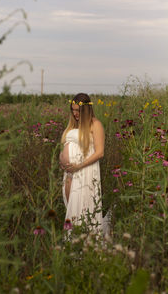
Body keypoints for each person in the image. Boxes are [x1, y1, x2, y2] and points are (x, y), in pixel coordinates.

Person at [59, 93, 109, 234]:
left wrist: (79, 166)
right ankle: (73, 241)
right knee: (71, 208)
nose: (75, 113)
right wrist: (61, 158)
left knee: (83, 208)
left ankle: (85, 243)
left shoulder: (95, 124)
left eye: (78, 110)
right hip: (70, 172)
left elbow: (100, 152)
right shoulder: (73, 125)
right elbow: (66, 145)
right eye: (73, 110)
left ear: (86, 110)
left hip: (84, 170)